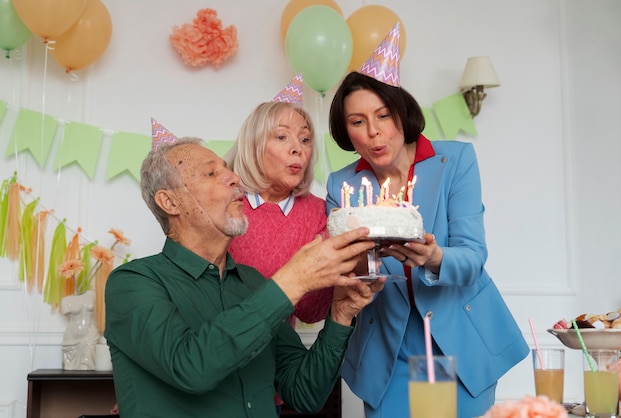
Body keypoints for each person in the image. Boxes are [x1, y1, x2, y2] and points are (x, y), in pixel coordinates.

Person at [325, 24, 529, 418]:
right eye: (357, 122)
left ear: (401, 110)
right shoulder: (342, 185)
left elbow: (472, 259)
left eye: (383, 115)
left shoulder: (456, 163)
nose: (374, 132)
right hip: (388, 351)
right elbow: (346, 268)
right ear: (346, 131)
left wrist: (434, 256)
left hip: (463, 345)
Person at [104, 136, 384, 418]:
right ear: (170, 201)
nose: (234, 178)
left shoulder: (253, 283)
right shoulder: (131, 283)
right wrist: (294, 280)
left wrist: (340, 314)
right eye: (211, 173)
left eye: (228, 169)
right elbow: (191, 369)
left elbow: (306, 394)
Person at [225, 98, 333, 327]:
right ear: (253, 145)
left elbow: (311, 312)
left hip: (281, 354)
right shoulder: (223, 202)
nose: (298, 148)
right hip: (218, 346)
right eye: (281, 137)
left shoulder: (318, 212)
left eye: (305, 139)